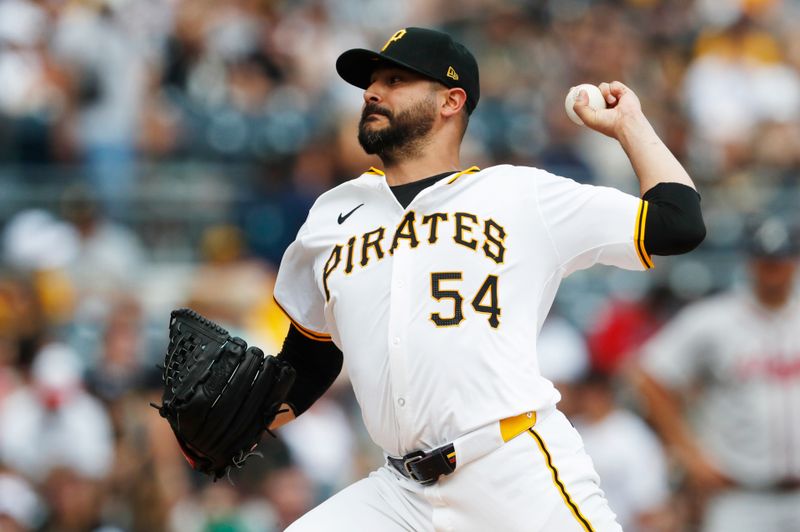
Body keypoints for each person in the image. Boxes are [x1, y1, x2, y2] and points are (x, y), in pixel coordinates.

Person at [268, 27, 705, 531]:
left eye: (395, 79)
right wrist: (246, 424)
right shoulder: (332, 214)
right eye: (371, 82)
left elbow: (678, 222)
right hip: (399, 494)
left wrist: (629, 123)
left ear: (451, 100)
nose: (372, 92)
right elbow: (312, 353)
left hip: (509, 469)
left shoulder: (520, 195)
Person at [632, 217, 800, 532]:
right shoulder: (714, 320)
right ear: (750, 261)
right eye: (765, 261)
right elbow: (648, 376)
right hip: (741, 496)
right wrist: (689, 454)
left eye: (781, 260)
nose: (773, 269)